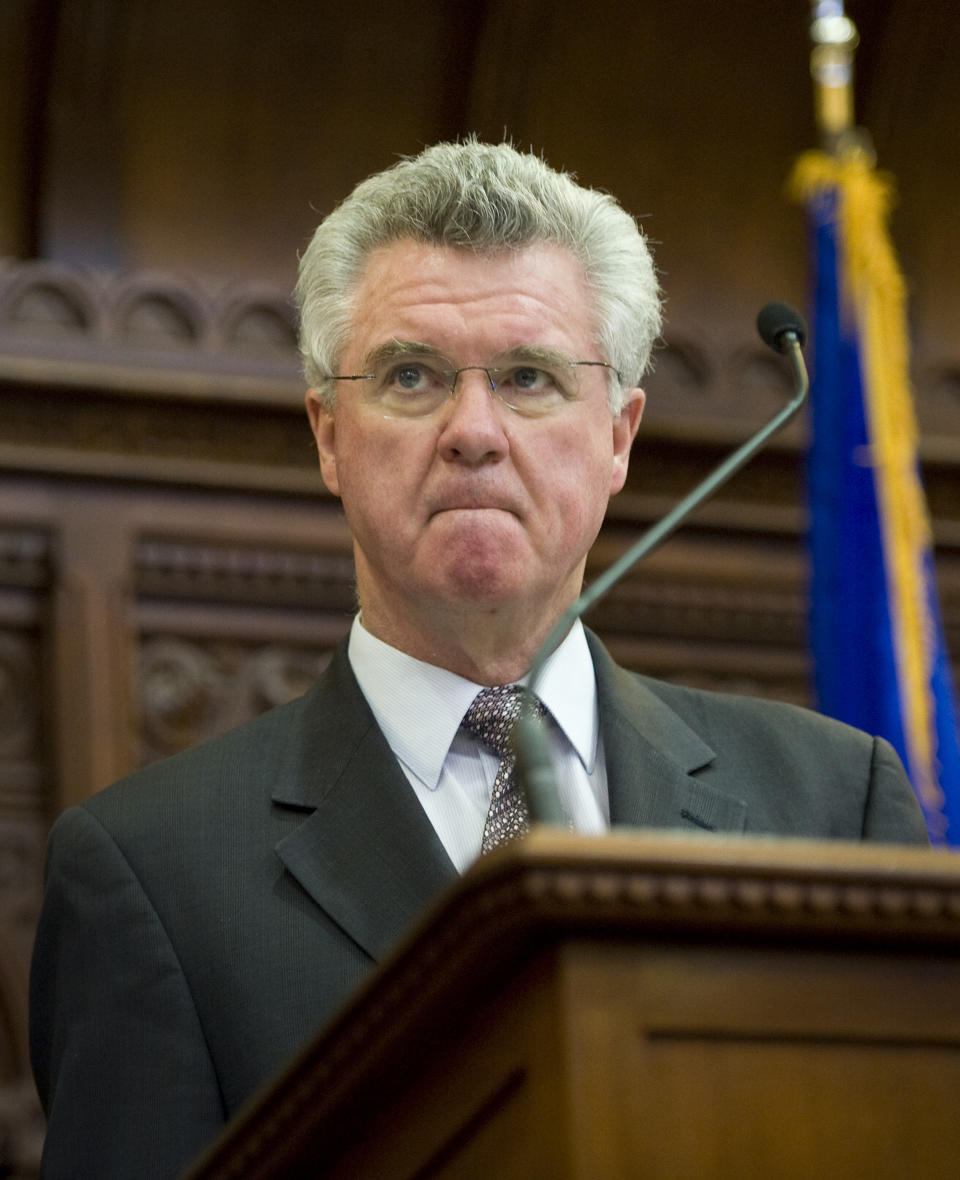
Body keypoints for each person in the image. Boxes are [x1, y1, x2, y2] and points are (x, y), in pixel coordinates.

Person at [29, 139, 930, 1178]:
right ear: (329, 434)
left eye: (530, 377)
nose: (473, 430)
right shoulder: (148, 872)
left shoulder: (830, 801)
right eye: (411, 376)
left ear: (619, 434)